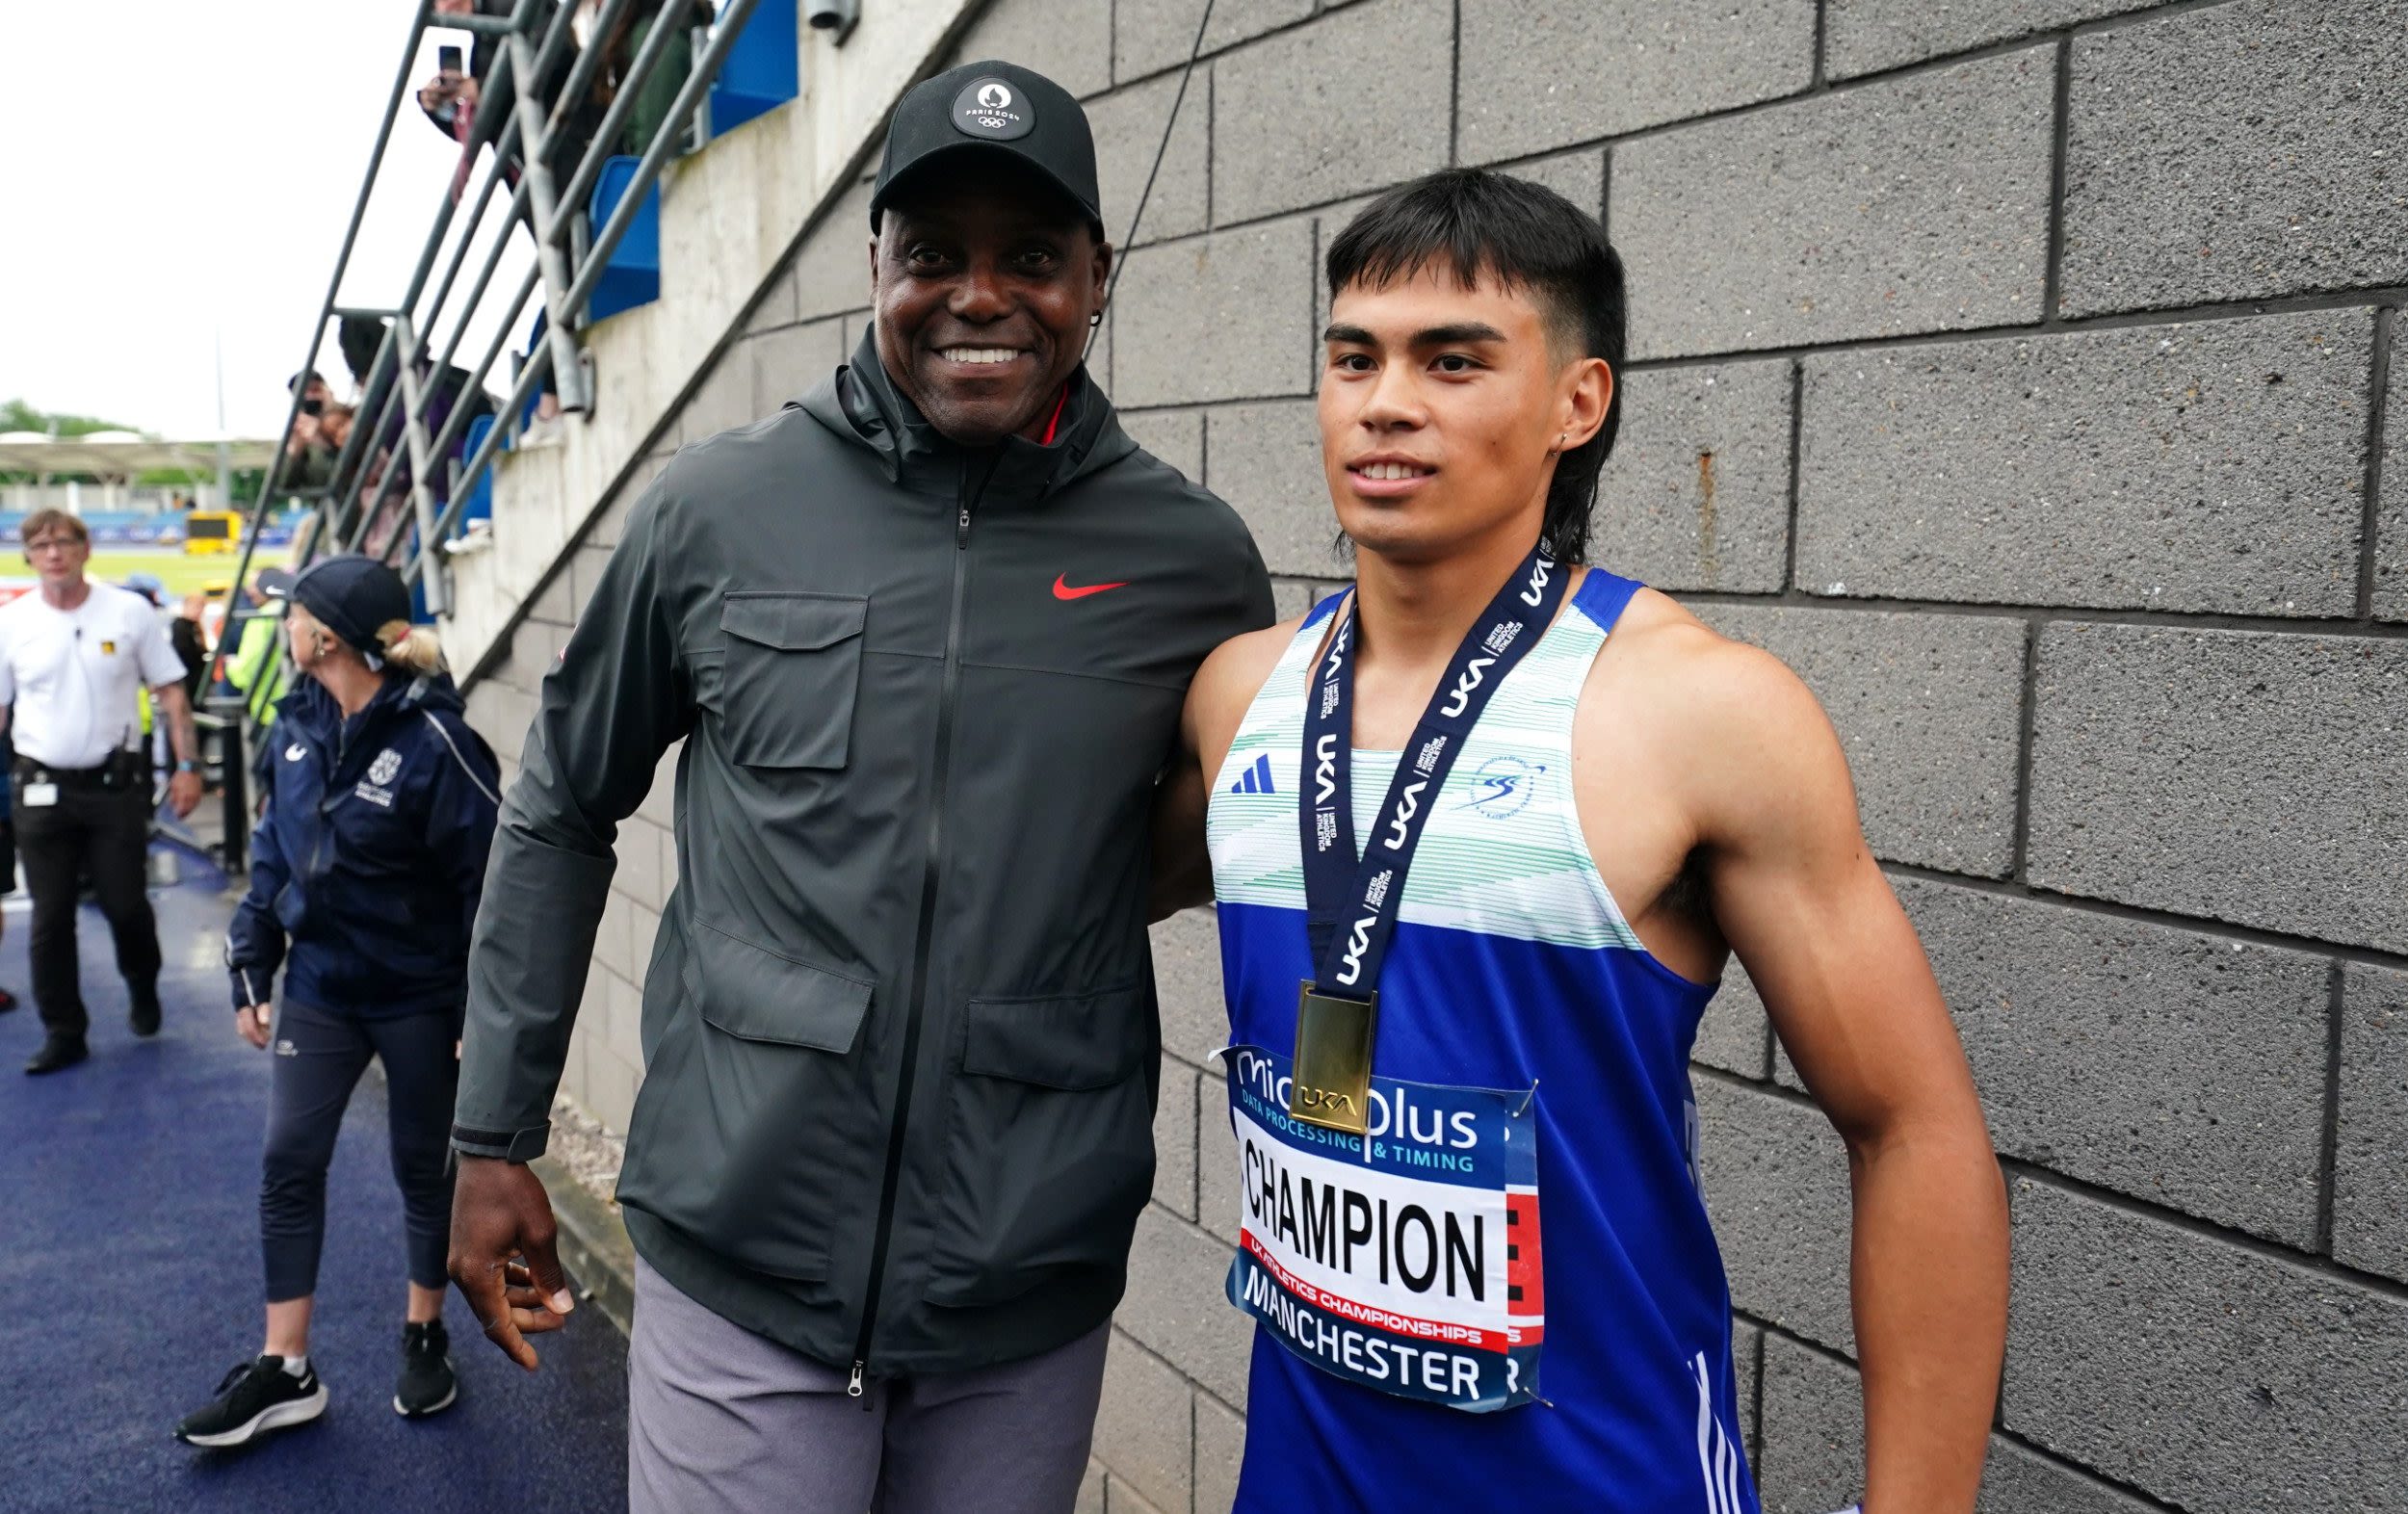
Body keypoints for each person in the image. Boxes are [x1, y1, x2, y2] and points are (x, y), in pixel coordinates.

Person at [447, 60, 1273, 1514]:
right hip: (741, 1261)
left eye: (1030, 257)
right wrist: (493, 1131)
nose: (979, 296)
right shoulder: (715, 508)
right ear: (873, 262)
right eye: (933, 253)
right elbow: (562, 803)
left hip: (1025, 1290)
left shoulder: (1191, 561)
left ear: (1099, 275)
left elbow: (1188, 853)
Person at [1168, 170, 2009, 1513]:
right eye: (1353, 357)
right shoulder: (1235, 697)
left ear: (1579, 401)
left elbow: (1915, 1130)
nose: (1385, 401)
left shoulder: (1703, 712)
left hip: (1601, 1478)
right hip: (1300, 1479)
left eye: (1454, 360)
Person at [174, 556, 501, 1449]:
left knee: (415, 1165)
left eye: (292, 612)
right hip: (319, 986)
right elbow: (275, 859)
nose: (279, 624)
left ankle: (425, 1331)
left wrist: (485, 1011)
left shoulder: (436, 741)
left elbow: (493, 885)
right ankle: (287, 1367)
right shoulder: (296, 724)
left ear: (328, 636)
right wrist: (252, 959)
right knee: (288, 1158)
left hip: (417, 994)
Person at [0, 509, 202, 1075]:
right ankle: (64, 1030)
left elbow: (171, 694)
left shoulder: (128, 611)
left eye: (63, 541)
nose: (53, 553)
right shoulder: (12, 623)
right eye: (40, 545)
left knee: (126, 905)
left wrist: (187, 765)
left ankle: (142, 983)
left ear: (85, 549)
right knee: (50, 916)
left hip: (114, 788)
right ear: (29, 557)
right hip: (41, 787)